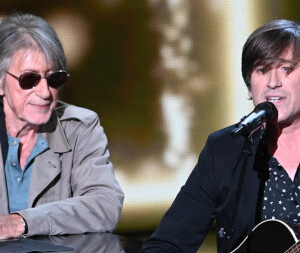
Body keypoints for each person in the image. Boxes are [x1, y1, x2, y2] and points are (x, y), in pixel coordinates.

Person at [140, 19, 300, 253]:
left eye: (286, 68)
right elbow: (166, 244)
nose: (273, 82)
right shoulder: (226, 149)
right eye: (261, 70)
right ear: (249, 86)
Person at [0, 13, 124, 239]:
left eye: (54, 79)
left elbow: (105, 205)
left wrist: (20, 222)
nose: (45, 92)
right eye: (29, 79)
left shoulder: (80, 128)